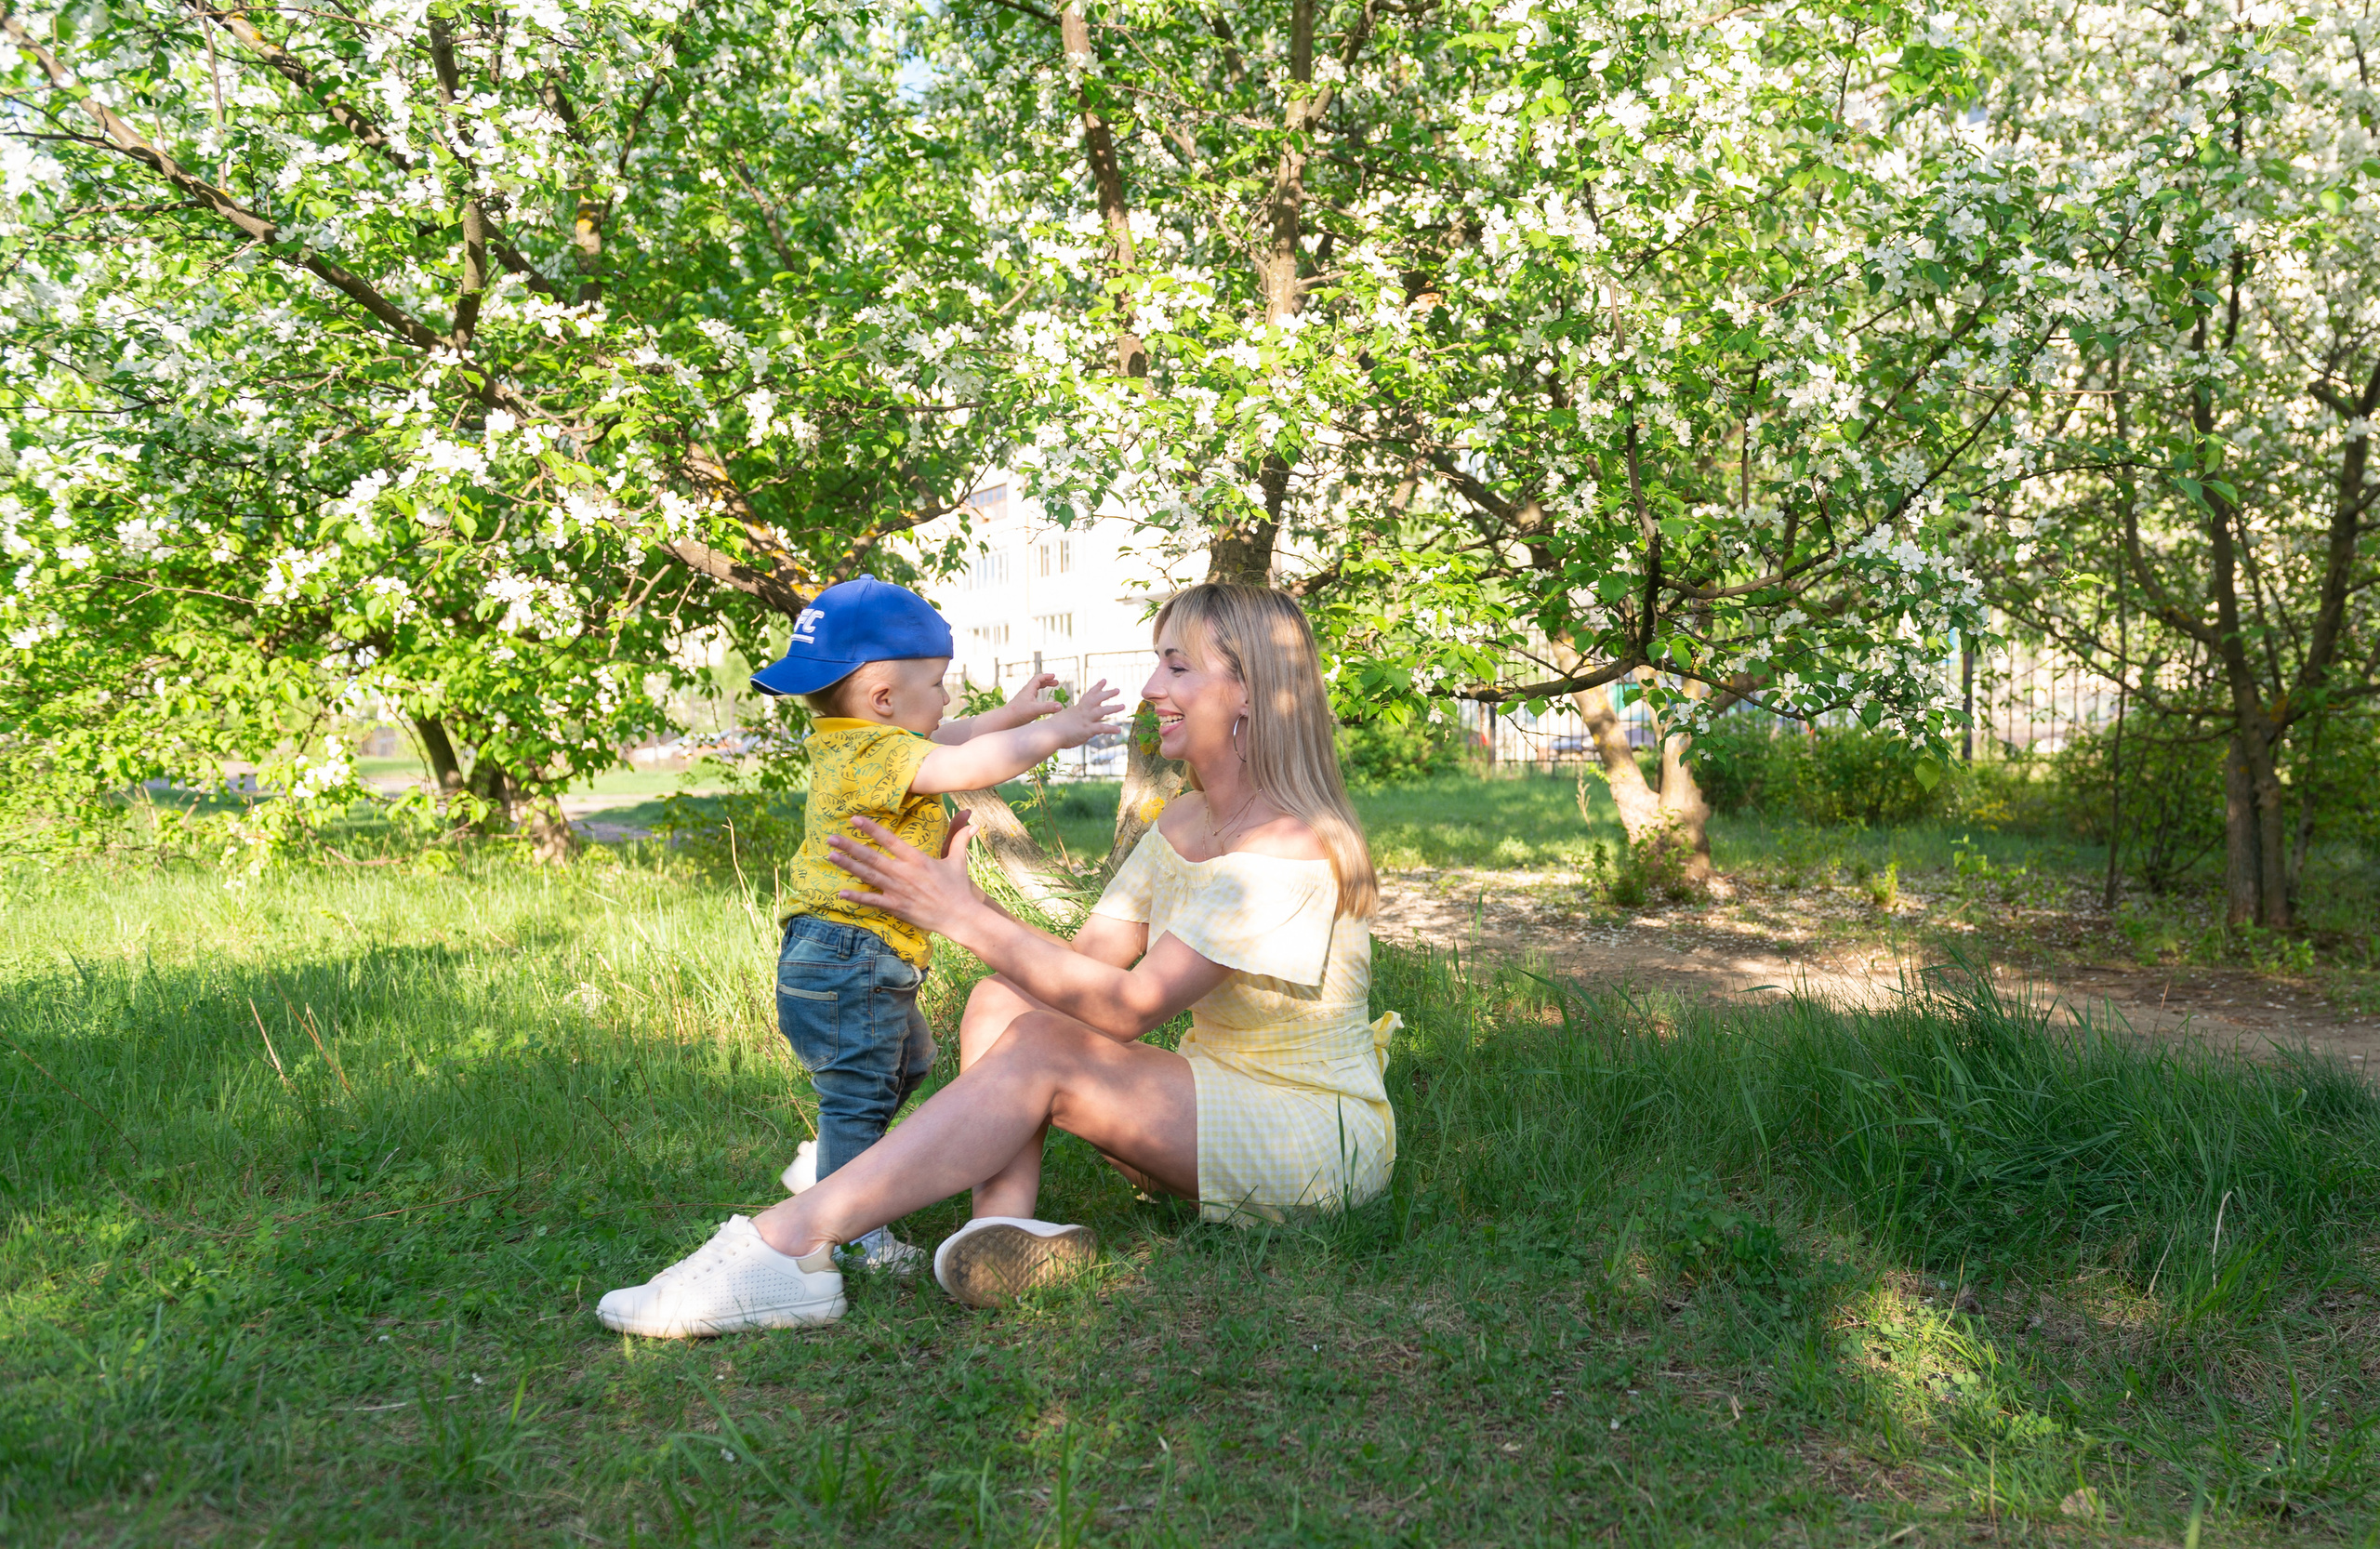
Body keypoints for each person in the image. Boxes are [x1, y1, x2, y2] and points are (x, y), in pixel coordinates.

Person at [596, 584, 1394, 1338]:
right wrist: (971, 917)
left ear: (1251, 690)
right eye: (1158, 661)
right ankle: (999, 1232)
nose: (1152, 686)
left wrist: (962, 915)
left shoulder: (1285, 844)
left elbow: (1129, 1008)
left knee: (1040, 1038)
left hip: (1315, 1141)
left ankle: (787, 1246)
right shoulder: (1186, 818)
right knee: (1002, 1001)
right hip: (1211, 1106)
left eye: (1177, 666)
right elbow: (1082, 970)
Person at [733, 573, 1120, 1278]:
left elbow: (957, 737)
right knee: (861, 1090)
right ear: (884, 698)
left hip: (850, 950)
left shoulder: (863, 738)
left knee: (905, 1066)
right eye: (939, 683)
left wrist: (1009, 713)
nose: (947, 700)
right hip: (849, 949)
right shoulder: (877, 752)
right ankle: (851, 1233)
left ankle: (831, 1164)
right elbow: (967, 759)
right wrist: (1056, 731)